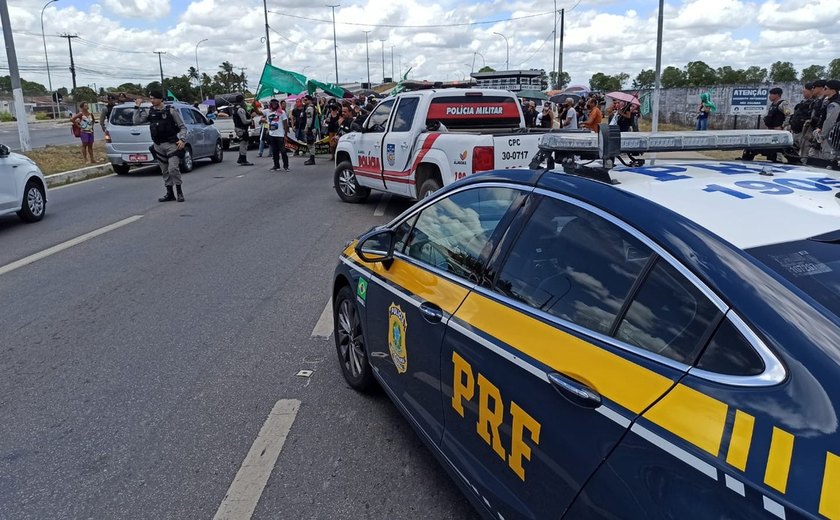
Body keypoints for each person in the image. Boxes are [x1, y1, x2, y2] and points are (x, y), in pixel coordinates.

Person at [132, 90, 188, 202]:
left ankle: (179, 192)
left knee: (173, 169)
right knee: (164, 171)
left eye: (153, 98)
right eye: (150, 98)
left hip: (171, 144)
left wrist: (182, 139)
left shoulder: (170, 111)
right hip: (158, 145)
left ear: (160, 99)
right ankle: (170, 193)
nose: (152, 101)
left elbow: (182, 127)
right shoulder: (150, 112)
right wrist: (136, 107)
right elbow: (136, 121)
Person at [263, 98, 290, 172]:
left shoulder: (282, 112)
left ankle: (286, 166)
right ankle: (276, 166)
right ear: (271, 104)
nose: (274, 104)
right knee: (275, 152)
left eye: (275, 103)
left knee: (283, 151)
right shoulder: (268, 111)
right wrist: (254, 105)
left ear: (277, 104)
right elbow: (258, 112)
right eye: (272, 103)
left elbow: (285, 124)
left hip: (280, 135)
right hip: (272, 135)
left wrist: (285, 134)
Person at [232, 94, 254, 166]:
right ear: (242, 100)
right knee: (243, 144)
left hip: (238, 128)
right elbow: (244, 121)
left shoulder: (234, 108)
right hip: (241, 129)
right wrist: (251, 120)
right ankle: (243, 159)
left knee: (243, 143)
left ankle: (241, 158)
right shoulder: (240, 109)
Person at [303, 95, 317, 165]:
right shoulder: (311, 107)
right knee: (310, 144)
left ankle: (312, 159)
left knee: (311, 144)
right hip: (311, 128)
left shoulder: (310, 108)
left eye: (305, 100)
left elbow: (309, 119)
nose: (304, 101)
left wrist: (307, 128)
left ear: (309, 100)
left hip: (310, 128)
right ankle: (311, 158)